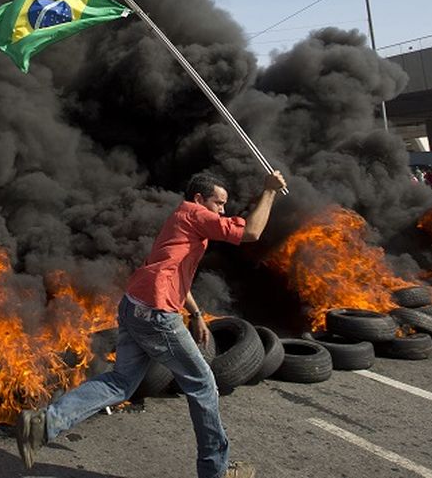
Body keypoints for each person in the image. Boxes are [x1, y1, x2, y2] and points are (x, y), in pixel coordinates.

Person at [15, 170, 287, 478]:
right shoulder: (194, 213)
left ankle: (43, 423)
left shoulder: (180, 220)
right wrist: (270, 191)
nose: (222, 211)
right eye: (218, 203)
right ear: (199, 200)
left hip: (134, 306)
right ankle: (216, 471)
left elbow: (171, 271)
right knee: (203, 383)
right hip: (155, 314)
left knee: (120, 382)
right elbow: (250, 232)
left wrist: (196, 314)